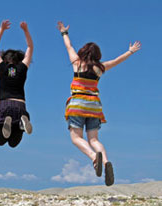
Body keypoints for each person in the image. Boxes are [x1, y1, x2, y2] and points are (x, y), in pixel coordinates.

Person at [57, 21, 141, 186]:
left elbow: (69, 47)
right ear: (98, 55)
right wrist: (130, 51)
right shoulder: (100, 68)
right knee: (94, 139)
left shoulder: (76, 63)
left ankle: (94, 157)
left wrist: (64, 33)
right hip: (94, 106)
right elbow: (117, 60)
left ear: (82, 52)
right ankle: (106, 161)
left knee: (76, 138)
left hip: (77, 104)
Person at [0, 20, 33, 148]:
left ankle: (11, 121)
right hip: (20, 106)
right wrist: (25, 30)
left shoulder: (2, 68)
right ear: (19, 60)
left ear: (4, 59)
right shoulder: (22, 68)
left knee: (0, 141)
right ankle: (22, 123)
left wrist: (1, 29)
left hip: (4, 104)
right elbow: (30, 47)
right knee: (13, 144)